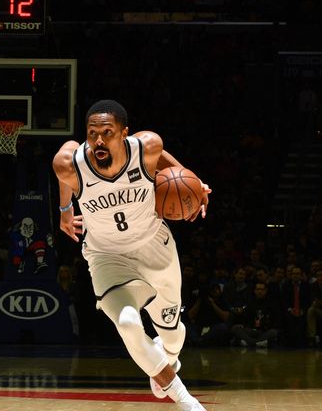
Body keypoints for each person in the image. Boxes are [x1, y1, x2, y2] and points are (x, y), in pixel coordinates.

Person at [52, 99, 210, 411]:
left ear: (125, 134)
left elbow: (167, 165)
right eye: (92, 133)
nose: (98, 140)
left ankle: (165, 360)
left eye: (107, 133)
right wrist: (65, 209)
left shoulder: (146, 148)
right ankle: (185, 400)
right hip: (106, 255)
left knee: (174, 338)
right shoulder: (70, 164)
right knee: (126, 322)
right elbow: (63, 173)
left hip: (154, 247)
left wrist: (191, 181)